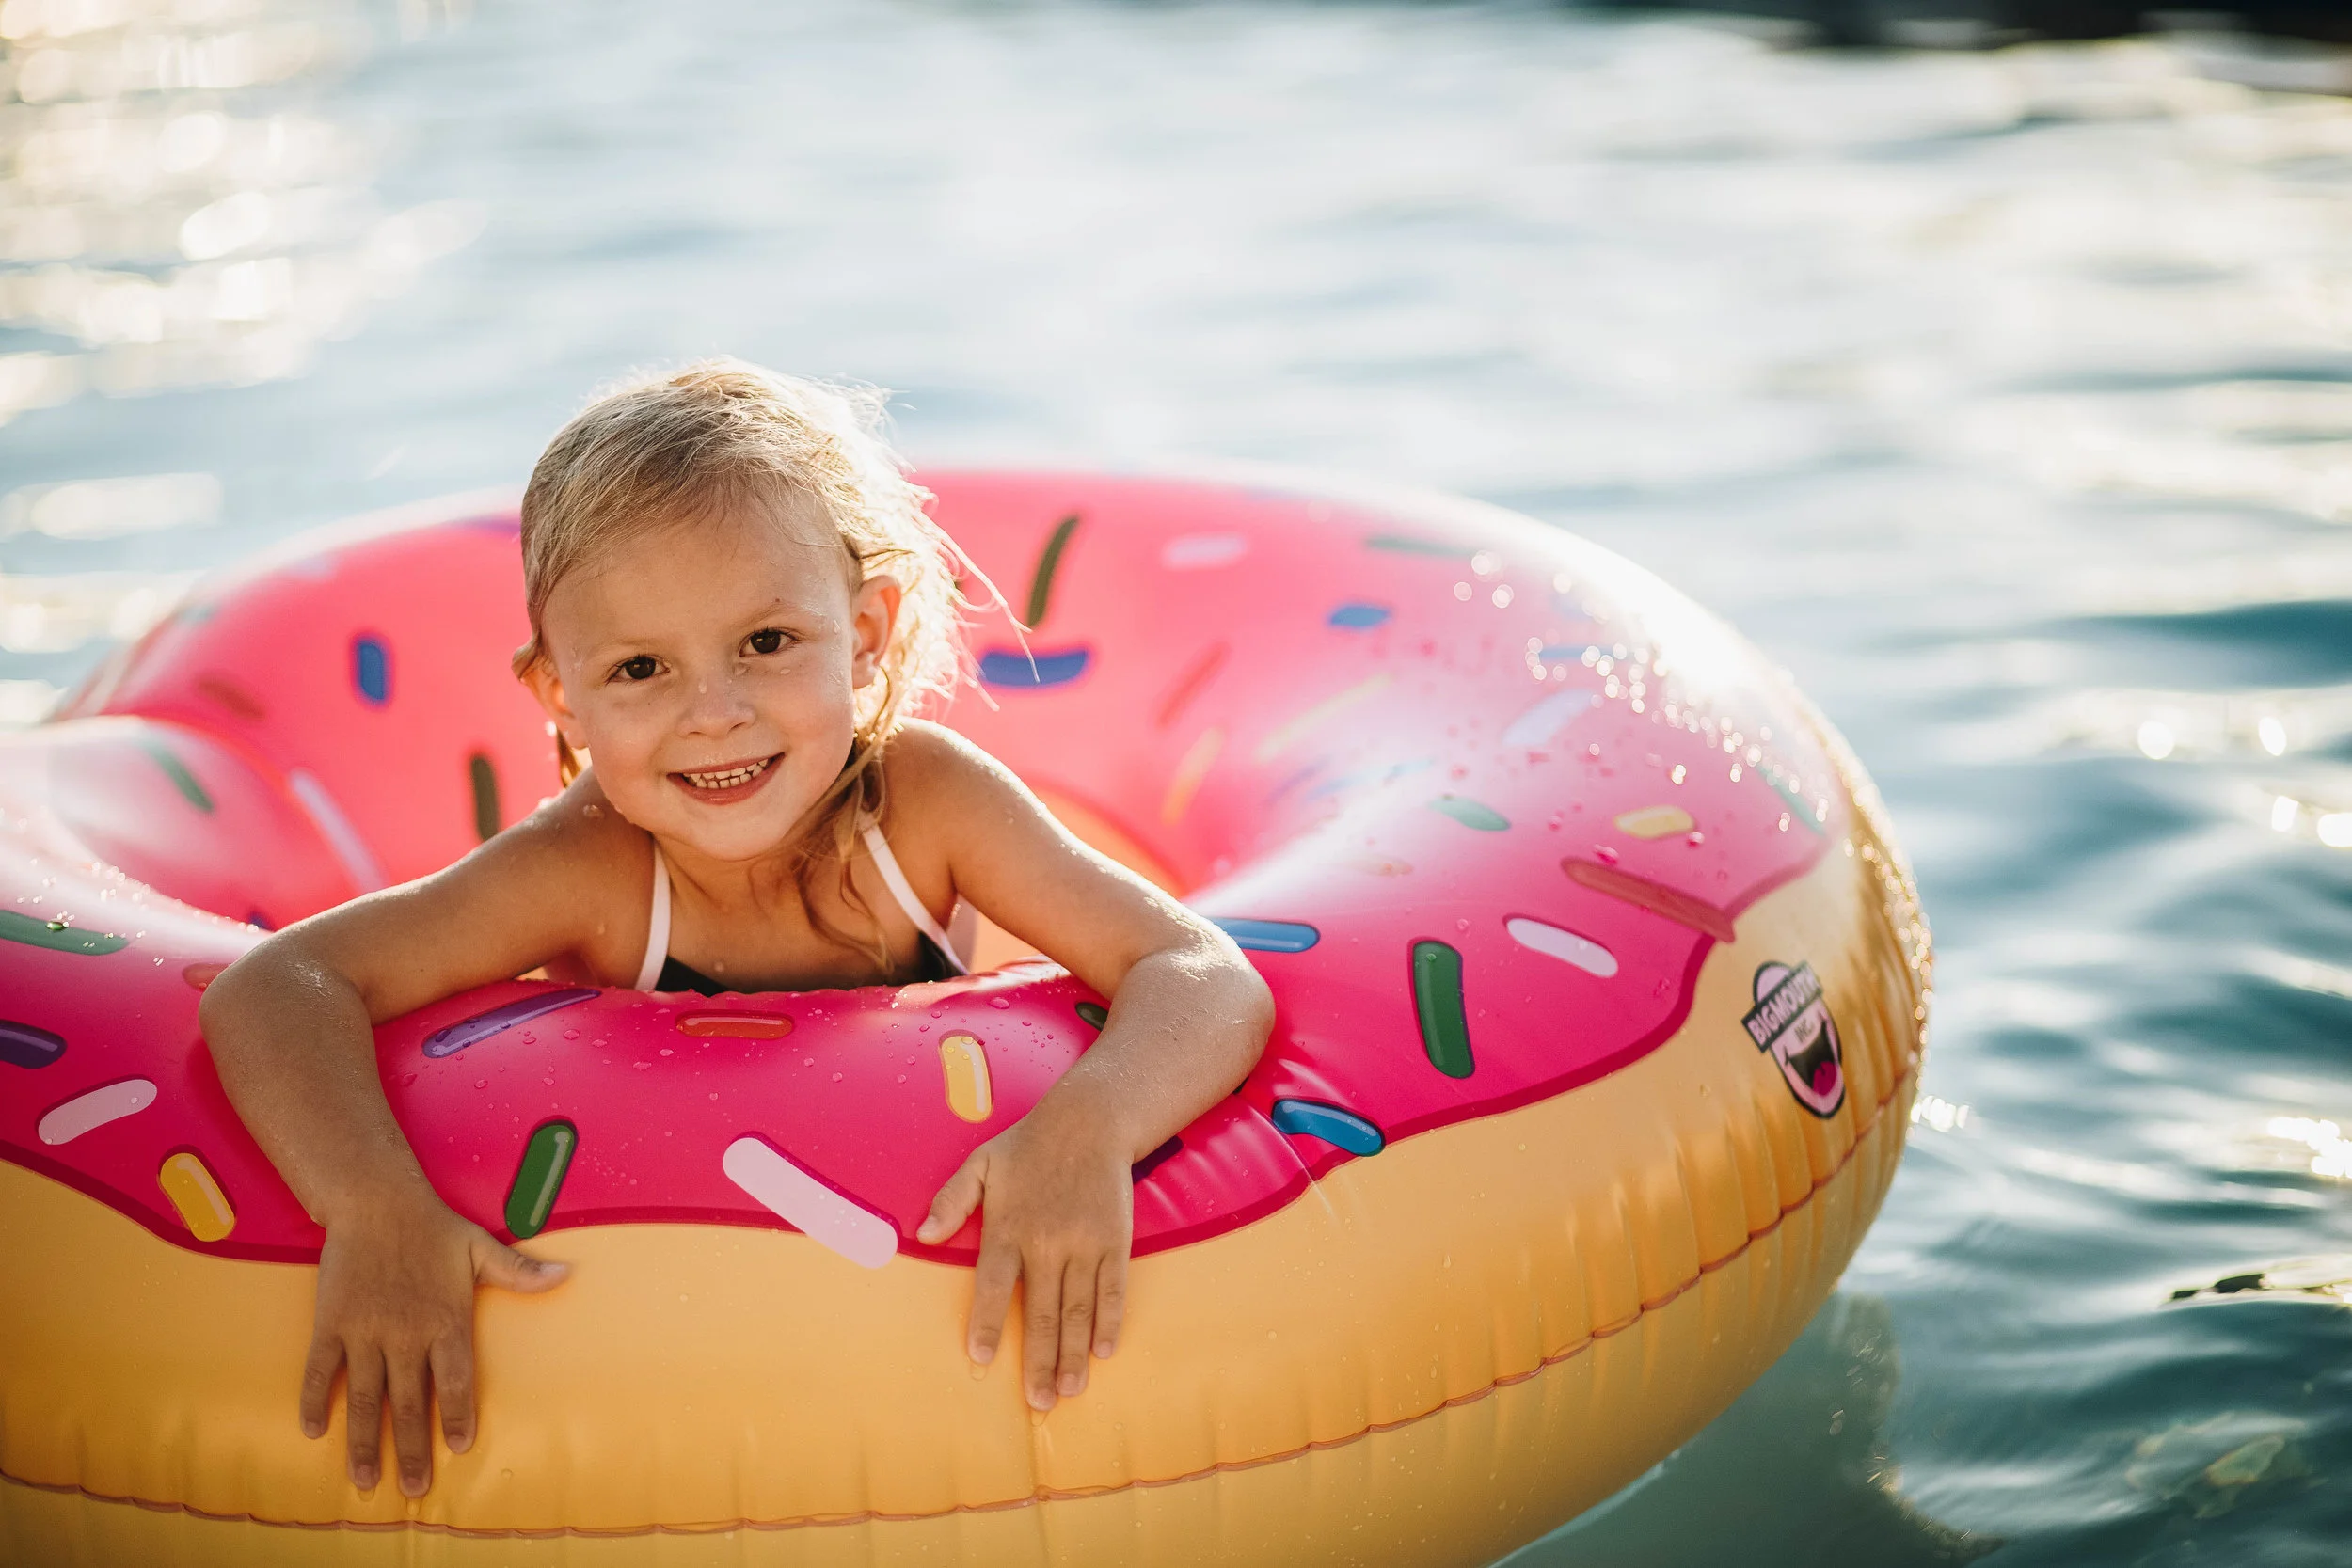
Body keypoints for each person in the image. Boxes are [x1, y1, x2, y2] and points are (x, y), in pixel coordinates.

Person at [200, 360, 1275, 1501]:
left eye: (766, 641)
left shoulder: (925, 805)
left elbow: (1198, 971)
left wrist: (1089, 1126)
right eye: (640, 668)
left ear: (866, 631)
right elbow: (284, 983)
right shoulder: (594, 864)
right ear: (560, 697)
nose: (714, 711)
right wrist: (374, 1207)